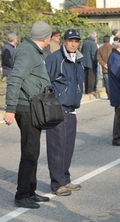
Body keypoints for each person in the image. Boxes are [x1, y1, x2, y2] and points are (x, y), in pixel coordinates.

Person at [3, 21, 53, 209]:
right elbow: (15, 78)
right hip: (26, 107)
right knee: (29, 152)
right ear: (46, 38)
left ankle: (30, 192)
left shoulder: (31, 49)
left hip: (34, 106)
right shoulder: (27, 50)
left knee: (33, 151)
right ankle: (22, 194)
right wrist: (10, 108)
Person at [44, 29, 84, 196]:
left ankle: (65, 180)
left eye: (76, 41)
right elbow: (45, 82)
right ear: (64, 42)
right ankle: (56, 184)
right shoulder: (55, 59)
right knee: (56, 147)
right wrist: (51, 104)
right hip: (58, 109)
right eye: (70, 40)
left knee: (68, 146)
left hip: (72, 109)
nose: (73, 43)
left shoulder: (79, 59)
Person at [81, 31, 98, 96]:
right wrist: (95, 62)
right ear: (94, 37)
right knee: (91, 77)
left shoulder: (85, 42)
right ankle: (90, 90)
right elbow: (93, 54)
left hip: (84, 62)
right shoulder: (93, 44)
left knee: (86, 77)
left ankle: (87, 90)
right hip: (91, 63)